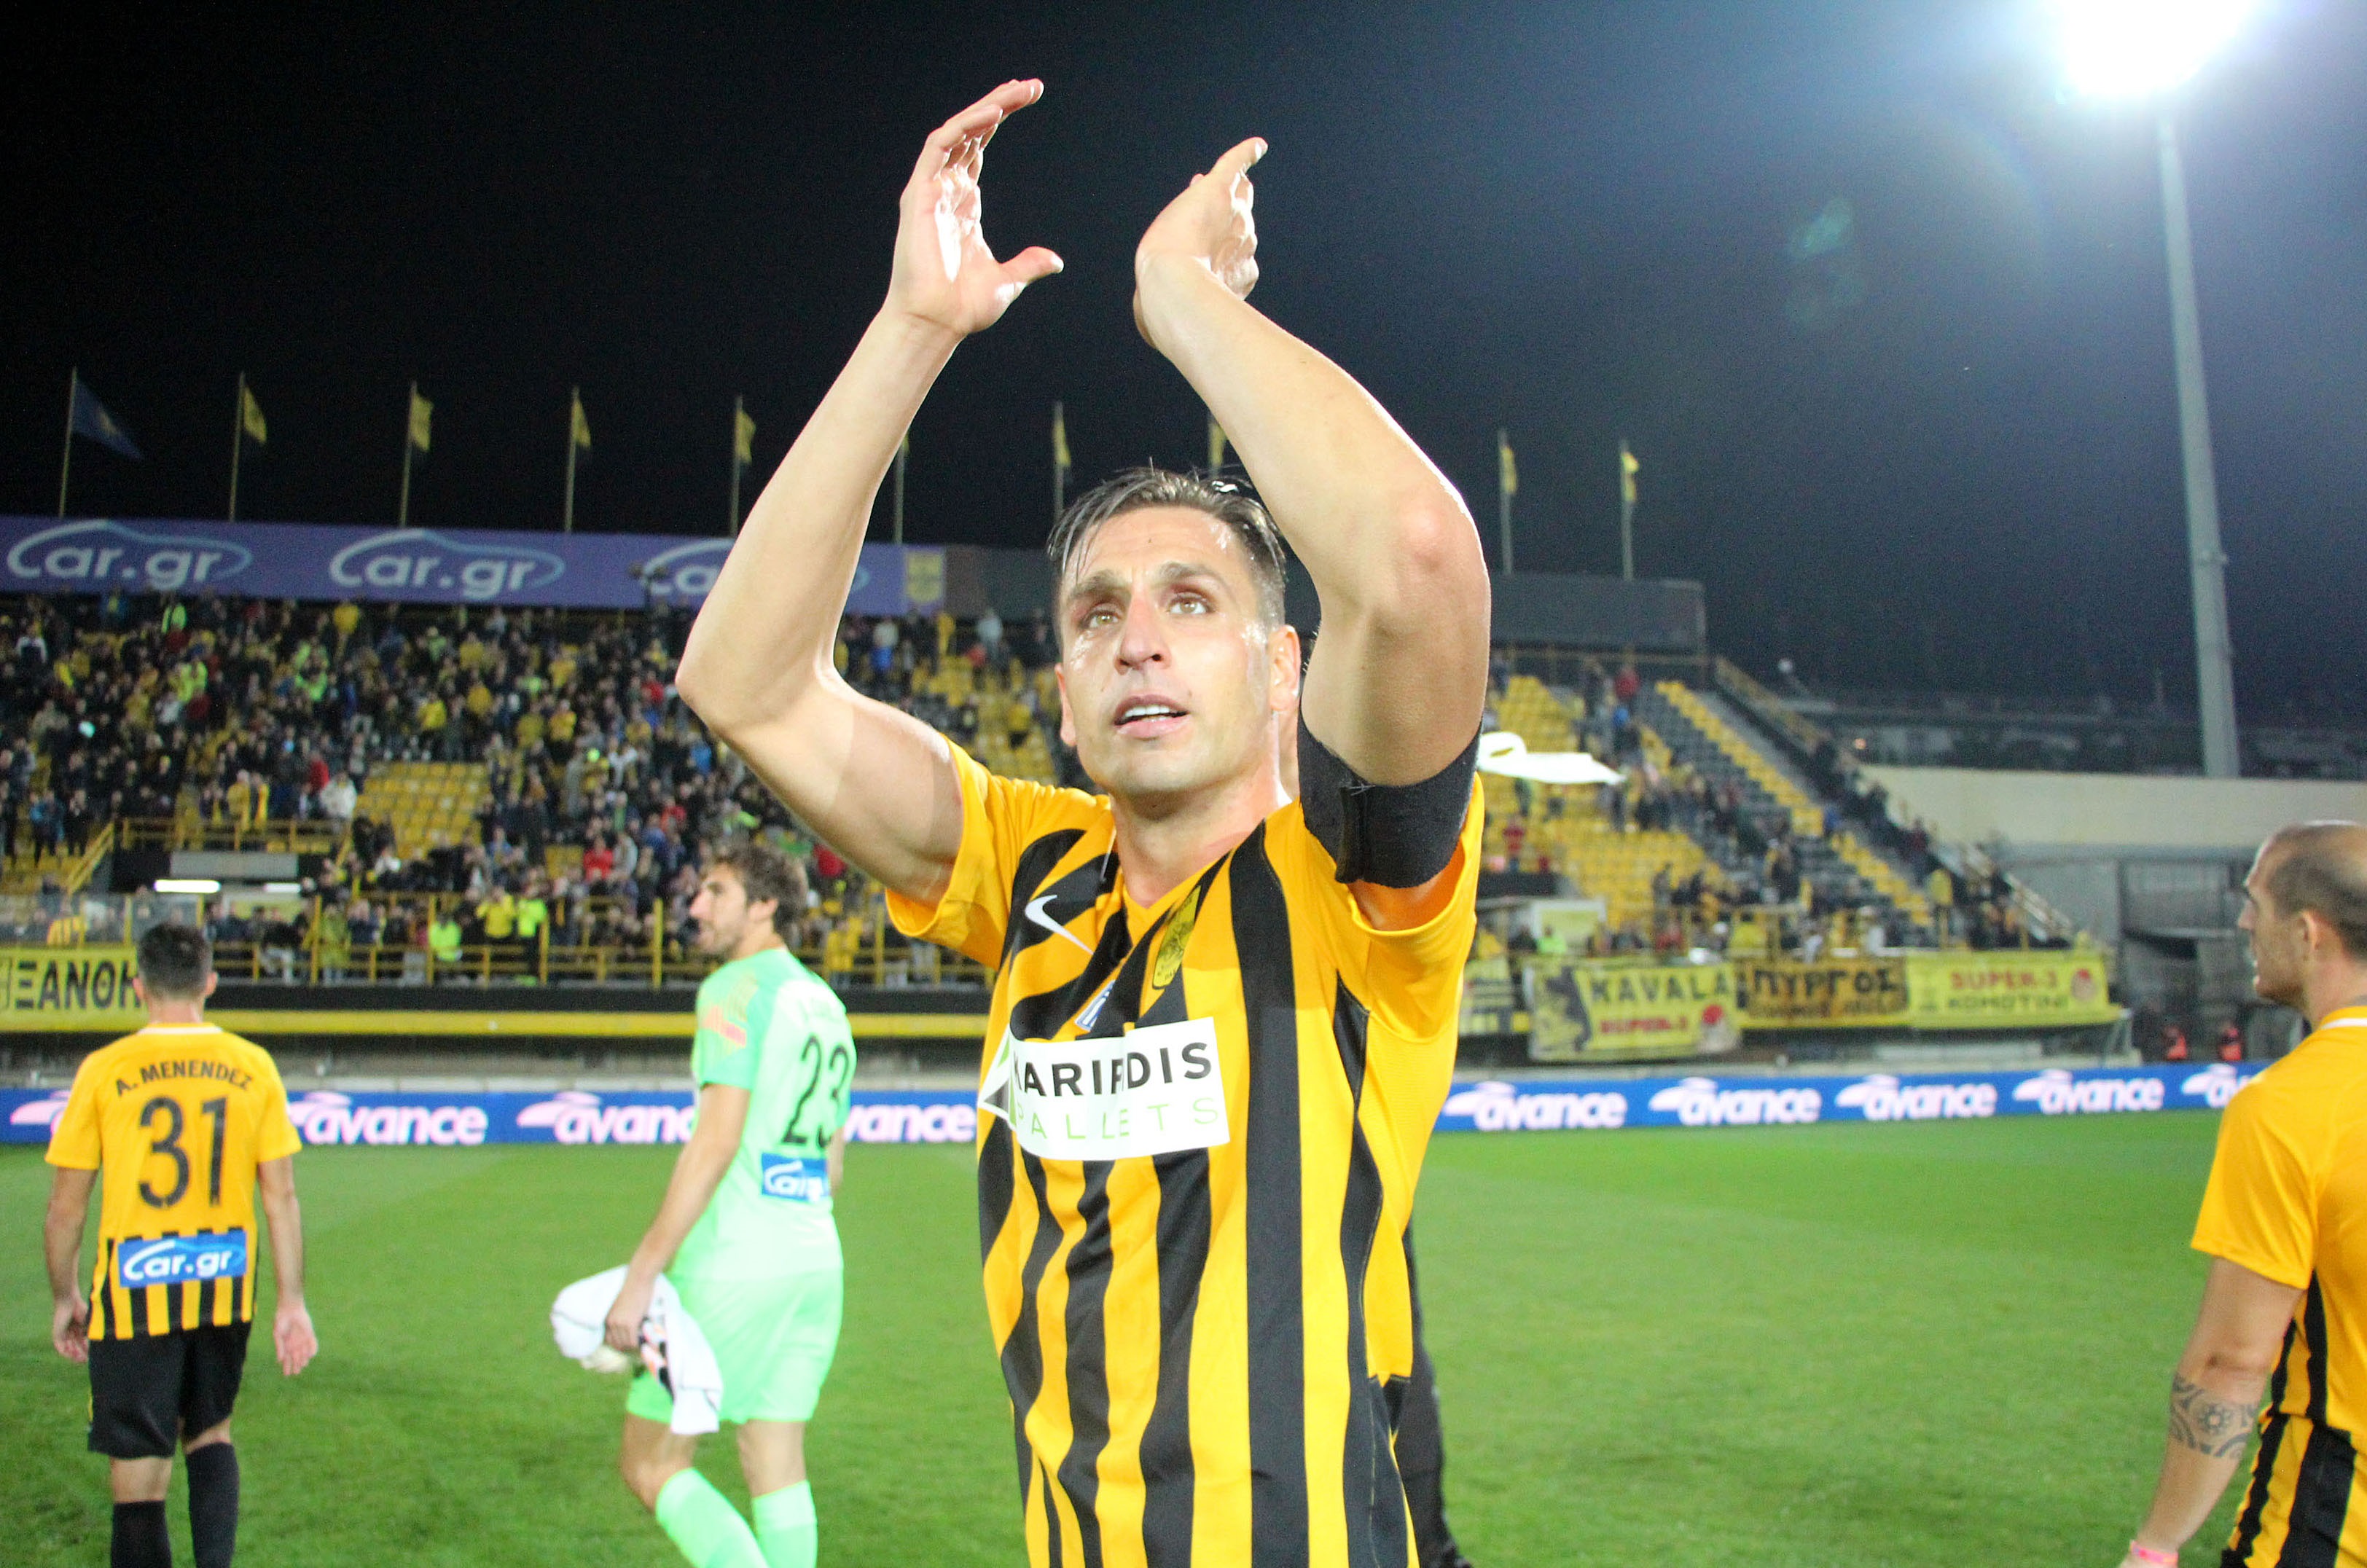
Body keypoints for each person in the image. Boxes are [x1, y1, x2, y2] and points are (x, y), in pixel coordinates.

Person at [676, 81, 1490, 1567]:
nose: (1139, 639)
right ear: (1062, 693)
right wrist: (912, 328)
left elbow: (1417, 559)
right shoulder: (1027, 866)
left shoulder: (1351, 881)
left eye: (1192, 601)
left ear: (1284, 669)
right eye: (1098, 614)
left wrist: (1180, 297)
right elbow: (742, 682)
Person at [2117, 822, 2367, 1566]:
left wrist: (2155, 1547)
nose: (2242, 924)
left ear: (2307, 933)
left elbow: (2230, 1360)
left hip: (2335, 1522)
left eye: (2254, 904)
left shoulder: (2290, 1105)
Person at [606, 844, 854, 1568]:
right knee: (774, 1458)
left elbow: (714, 1145)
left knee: (652, 1462)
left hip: (735, 1264)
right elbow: (833, 1165)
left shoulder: (734, 990)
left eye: (715, 892)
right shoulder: (824, 1002)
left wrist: (642, 1276)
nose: (695, 907)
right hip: (813, 1262)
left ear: (764, 905)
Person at [42, 922, 316, 1568]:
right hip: (223, 1282)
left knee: (138, 1475)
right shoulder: (253, 1065)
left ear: (138, 986)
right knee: (211, 1434)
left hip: (136, 1289)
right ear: (210, 984)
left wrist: (65, 1296)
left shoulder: (105, 1069)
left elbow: (65, 1209)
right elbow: (280, 1197)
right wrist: (291, 1302)